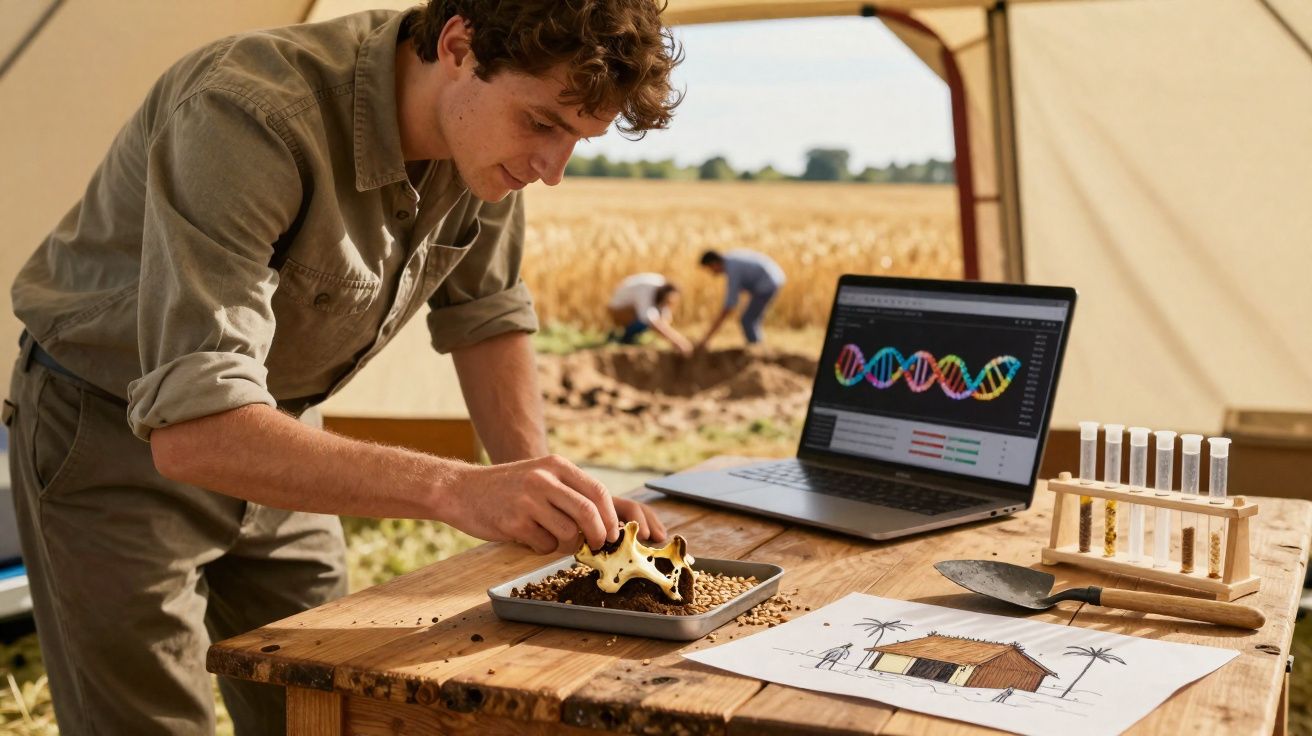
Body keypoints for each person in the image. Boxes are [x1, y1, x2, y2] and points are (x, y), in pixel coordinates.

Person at [5, 2, 680, 732]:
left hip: (285, 432)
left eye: (578, 138)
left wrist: (551, 504)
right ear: (458, 46)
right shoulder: (248, 110)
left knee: (323, 709)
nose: (552, 171)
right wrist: (457, 489)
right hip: (108, 432)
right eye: (543, 124)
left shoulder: (484, 144)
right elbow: (194, 430)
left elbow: (486, 316)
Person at [697, 248, 786, 348]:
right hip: (773, 278)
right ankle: (757, 347)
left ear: (714, 263)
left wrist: (707, 337)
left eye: (710, 269)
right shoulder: (731, 260)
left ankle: (757, 350)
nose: (711, 273)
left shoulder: (733, 269)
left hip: (768, 283)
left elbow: (729, 305)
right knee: (750, 319)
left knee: (747, 320)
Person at [605, 273, 693, 355]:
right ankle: (624, 338)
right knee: (644, 323)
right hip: (619, 310)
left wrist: (675, 338)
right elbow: (649, 320)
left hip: (634, 309)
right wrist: (677, 341)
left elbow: (665, 317)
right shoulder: (645, 290)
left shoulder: (661, 288)